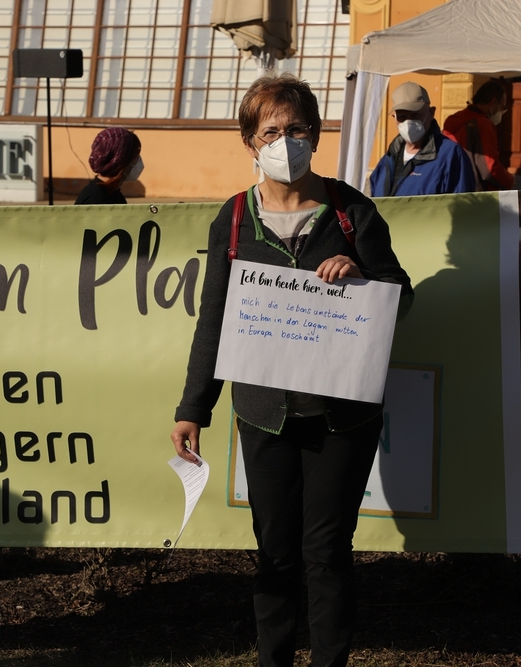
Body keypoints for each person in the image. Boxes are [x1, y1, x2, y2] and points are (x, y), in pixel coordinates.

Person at [171, 73, 413, 667]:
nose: (285, 141)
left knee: (326, 553)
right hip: (264, 416)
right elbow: (214, 318)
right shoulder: (233, 218)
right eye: (271, 131)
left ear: (316, 135)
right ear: (250, 143)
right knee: (274, 553)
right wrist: (193, 408)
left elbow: (400, 295)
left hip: (342, 416)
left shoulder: (352, 211)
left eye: (296, 128)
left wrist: (361, 278)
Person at [369, 81, 474, 197]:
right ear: (394, 117)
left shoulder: (451, 155)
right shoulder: (389, 157)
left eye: (415, 115)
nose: (408, 122)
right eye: (402, 117)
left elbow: (462, 203)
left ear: (431, 113)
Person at [442, 80, 515, 191]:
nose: (502, 112)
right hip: (476, 193)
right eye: (502, 106)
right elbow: (489, 168)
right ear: (493, 103)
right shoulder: (483, 124)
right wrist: (509, 180)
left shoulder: (454, 120)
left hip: (453, 187)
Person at [75, 127, 143, 204]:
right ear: (121, 160)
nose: (138, 160)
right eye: (136, 157)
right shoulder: (95, 199)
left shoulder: (114, 194)